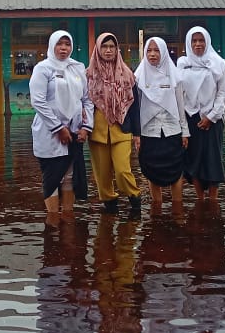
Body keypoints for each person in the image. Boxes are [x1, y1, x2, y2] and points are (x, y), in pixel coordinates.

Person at [30, 30, 93, 219]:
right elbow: (38, 101)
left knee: (69, 176)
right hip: (49, 133)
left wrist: (86, 127)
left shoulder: (77, 68)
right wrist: (58, 128)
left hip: (74, 132)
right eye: (60, 44)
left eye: (67, 44)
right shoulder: (43, 68)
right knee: (51, 176)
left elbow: (87, 100)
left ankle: (67, 219)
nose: (63, 48)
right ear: (52, 45)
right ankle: (53, 222)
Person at [85, 32, 141, 216]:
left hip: (121, 129)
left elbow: (134, 107)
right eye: (104, 46)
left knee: (122, 170)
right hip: (97, 131)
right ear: (98, 49)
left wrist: (137, 134)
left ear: (117, 50)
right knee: (102, 174)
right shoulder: (89, 76)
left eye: (112, 47)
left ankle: (135, 199)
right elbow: (83, 104)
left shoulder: (127, 75)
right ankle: (109, 206)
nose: (108, 50)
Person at [134, 37, 190, 213]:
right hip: (148, 132)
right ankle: (156, 209)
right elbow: (137, 107)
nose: (152, 54)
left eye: (156, 50)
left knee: (176, 170)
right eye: (149, 50)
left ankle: (177, 209)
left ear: (164, 52)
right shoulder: (138, 77)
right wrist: (137, 135)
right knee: (152, 171)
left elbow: (181, 106)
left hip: (172, 129)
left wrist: (185, 132)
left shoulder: (175, 76)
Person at [177, 26, 225, 200]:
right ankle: (200, 199)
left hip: (212, 120)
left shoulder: (218, 63)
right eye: (194, 41)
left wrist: (211, 116)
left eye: (201, 40)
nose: (198, 44)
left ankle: (213, 200)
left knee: (212, 160)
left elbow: (223, 94)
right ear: (188, 43)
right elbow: (179, 93)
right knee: (193, 161)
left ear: (207, 42)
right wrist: (183, 122)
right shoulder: (183, 64)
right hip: (191, 119)